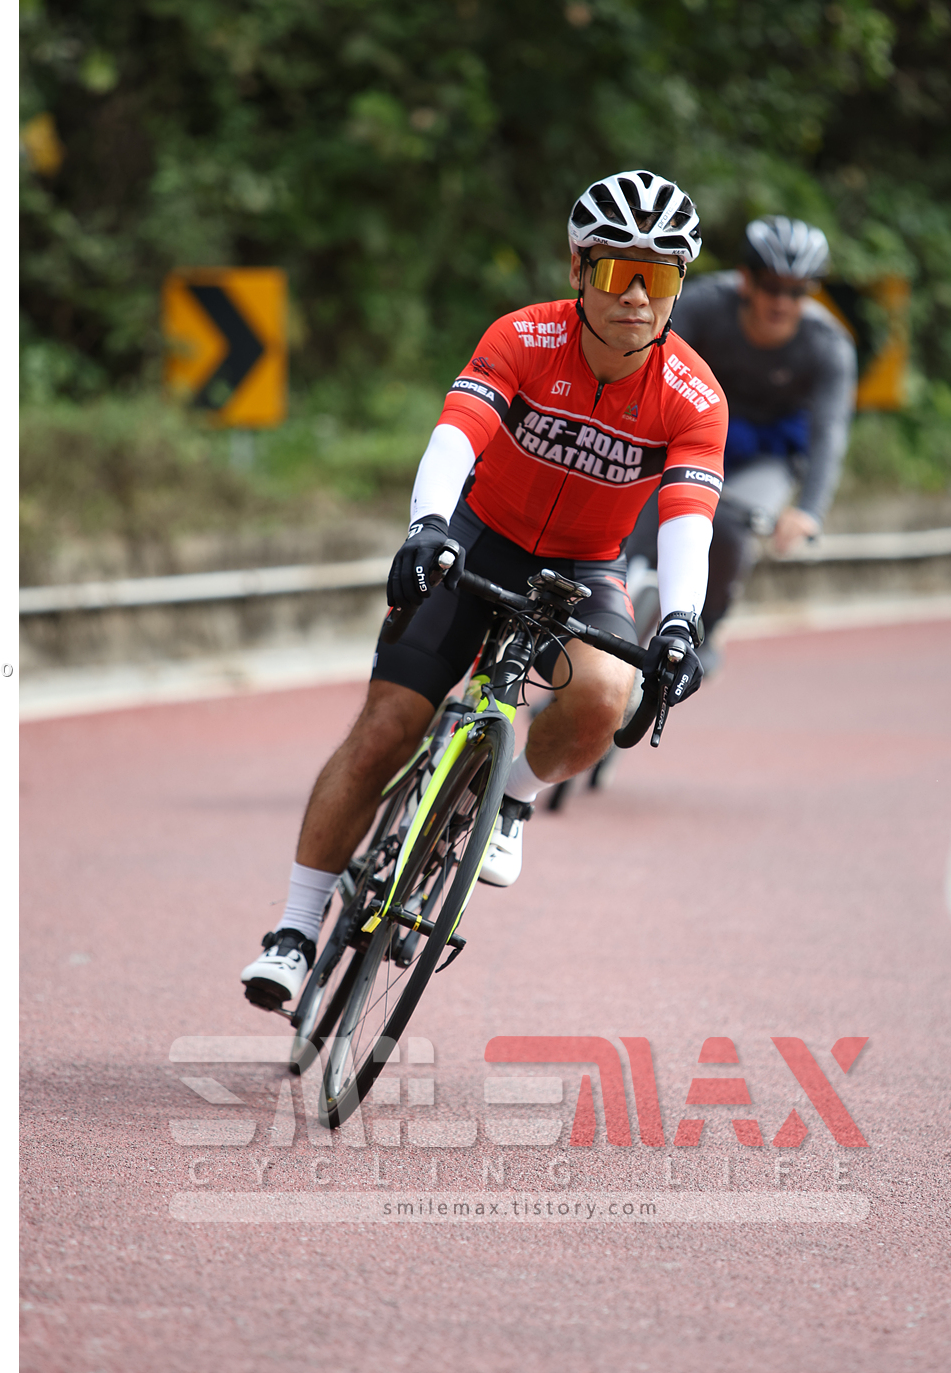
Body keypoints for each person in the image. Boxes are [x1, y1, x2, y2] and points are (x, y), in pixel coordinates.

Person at [240, 170, 729, 1012]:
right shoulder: (524, 337)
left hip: (585, 568)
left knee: (605, 695)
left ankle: (510, 800)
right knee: (386, 728)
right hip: (476, 536)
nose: (637, 297)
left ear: (680, 286)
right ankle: (293, 928)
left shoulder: (693, 396)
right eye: (620, 272)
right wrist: (427, 526)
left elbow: (689, 518)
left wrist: (681, 621)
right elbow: (455, 437)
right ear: (578, 270)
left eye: (660, 278)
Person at [624, 214, 856, 671]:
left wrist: (809, 510)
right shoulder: (702, 305)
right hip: (684, 434)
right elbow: (646, 369)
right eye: (771, 286)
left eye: (798, 292)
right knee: (636, 516)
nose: (782, 302)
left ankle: (705, 627)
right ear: (745, 279)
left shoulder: (828, 344)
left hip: (763, 457)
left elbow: (829, 433)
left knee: (730, 526)